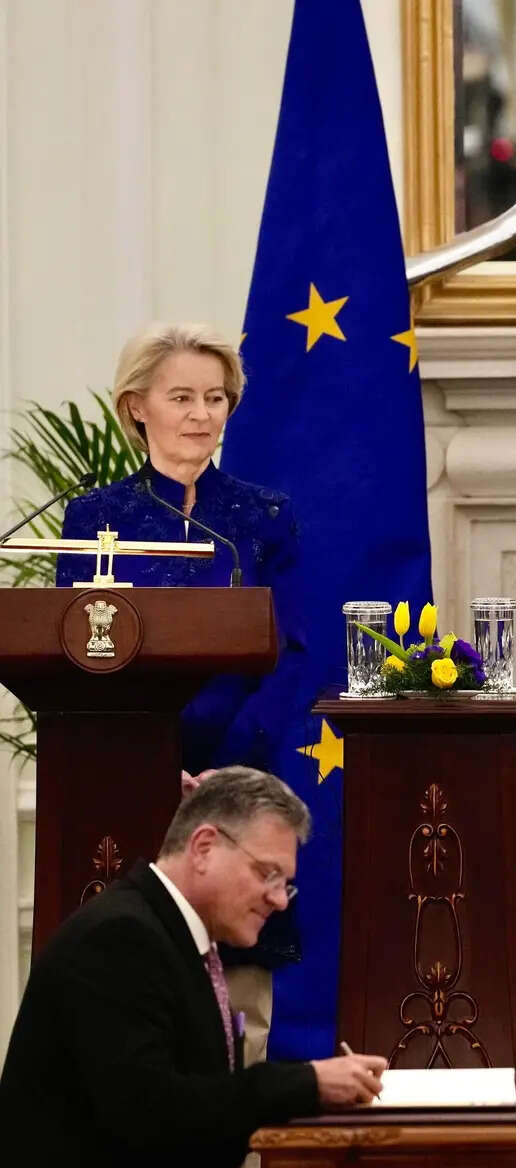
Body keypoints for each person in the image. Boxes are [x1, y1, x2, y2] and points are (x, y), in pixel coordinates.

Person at [0, 767, 391, 1168]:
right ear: (204, 847)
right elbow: (156, 1115)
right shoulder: (120, 939)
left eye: (285, 884)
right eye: (267, 874)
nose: (279, 899)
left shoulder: (169, 934)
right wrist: (307, 1083)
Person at [57, 321, 311, 1057]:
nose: (202, 415)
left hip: (245, 774)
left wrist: (228, 773)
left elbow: (293, 652)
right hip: (133, 779)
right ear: (137, 407)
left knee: (243, 990)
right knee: (136, 983)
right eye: (182, 398)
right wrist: (151, 762)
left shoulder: (264, 515)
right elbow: (78, 657)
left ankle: (242, 1124)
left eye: (215, 397)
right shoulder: (94, 518)